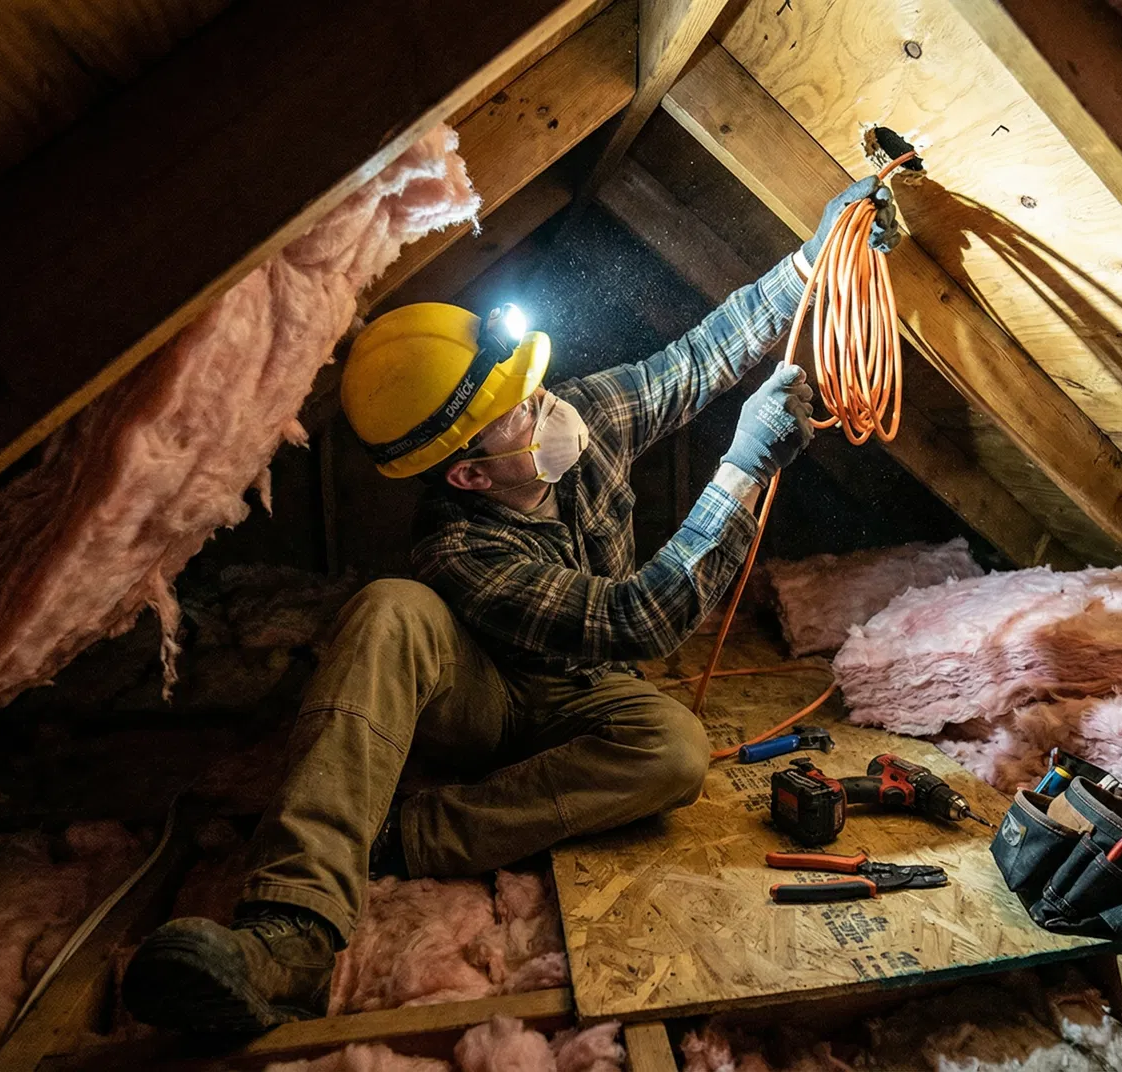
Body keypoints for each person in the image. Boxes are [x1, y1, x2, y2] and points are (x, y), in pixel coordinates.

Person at [121, 178, 898, 1032]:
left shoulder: (584, 417)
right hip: (483, 697)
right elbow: (637, 618)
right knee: (389, 608)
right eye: (516, 411)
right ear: (469, 474)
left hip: (585, 689)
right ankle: (291, 934)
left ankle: (405, 837)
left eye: (528, 385)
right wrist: (742, 467)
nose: (546, 404)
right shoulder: (457, 548)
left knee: (673, 752)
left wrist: (814, 263)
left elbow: (703, 357)